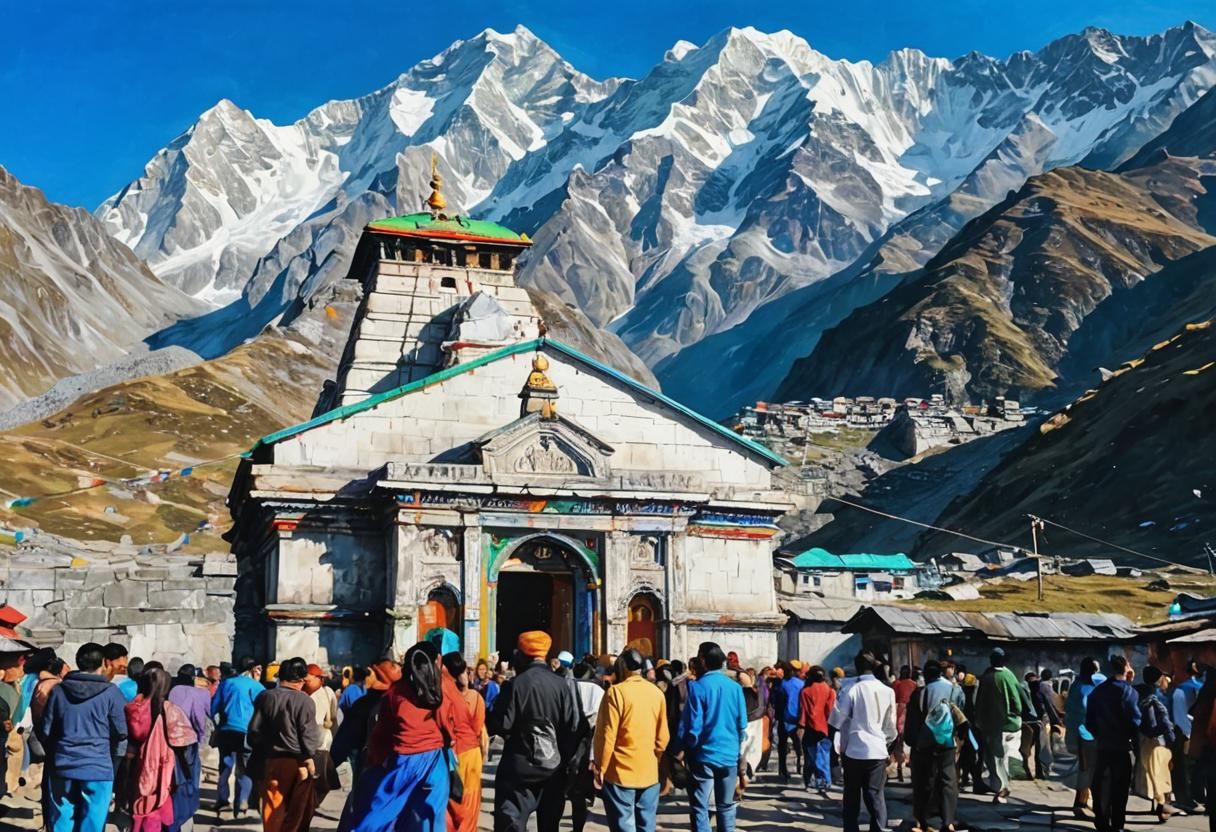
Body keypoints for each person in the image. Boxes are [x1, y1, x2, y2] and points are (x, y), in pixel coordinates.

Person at [340, 643, 457, 832]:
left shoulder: (395, 693)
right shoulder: (440, 690)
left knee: (382, 812)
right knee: (431, 818)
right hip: (435, 762)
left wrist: (376, 760)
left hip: (403, 761)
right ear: (436, 661)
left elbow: (382, 733)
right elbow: (449, 727)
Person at [486, 631, 581, 832]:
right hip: (553, 768)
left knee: (511, 823)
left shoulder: (515, 685)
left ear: (522, 655)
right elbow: (571, 725)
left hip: (519, 770)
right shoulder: (561, 685)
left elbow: (502, 724)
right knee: (549, 825)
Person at [37, 642, 128, 832]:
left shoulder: (59, 691)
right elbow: (122, 730)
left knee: (62, 819)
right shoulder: (111, 693)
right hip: (98, 766)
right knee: (93, 821)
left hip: (63, 764)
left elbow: (45, 730)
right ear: (103, 662)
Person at [593, 648, 668, 832]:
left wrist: (601, 767)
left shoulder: (616, 693)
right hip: (649, 771)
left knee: (624, 824)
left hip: (620, 772)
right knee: (646, 825)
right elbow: (663, 737)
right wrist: (655, 758)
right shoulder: (656, 693)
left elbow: (607, 735)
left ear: (623, 667)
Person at [247, 657, 321, 832]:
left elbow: (253, 732)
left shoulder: (266, 697)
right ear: (302, 679)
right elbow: (309, 736)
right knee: (299, 809)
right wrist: (310, 757)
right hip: (299, 762)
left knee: (273, 807)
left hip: (271, 761)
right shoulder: (305, 701)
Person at [680, 642, 747, 832]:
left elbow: (694, 727)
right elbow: (742, 724)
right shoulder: (735, 688)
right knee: (726, 806)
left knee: (700, 807)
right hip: (729, 755)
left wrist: (687, 748)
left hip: (704, 755)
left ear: (702, 660)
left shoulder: (697, 687)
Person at [123, 667, 197, 832]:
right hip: (165, 771)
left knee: (140, 807)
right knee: (161, 811)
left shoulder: (132, 708)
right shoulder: (170, 710)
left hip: (137, 768)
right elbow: (185, 743)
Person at [831, 651, 897, 832]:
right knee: (875, 794)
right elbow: (891, 726)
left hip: (854, 750)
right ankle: (879, 829)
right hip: (878, 750)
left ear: (857, 667)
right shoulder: (888, 691)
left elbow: (837, 721)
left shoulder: (850, 689)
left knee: (852, 795)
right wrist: (887, 747)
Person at [904, 659, 966, 832]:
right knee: (948, 780)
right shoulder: (955, 690)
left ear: (925, 674)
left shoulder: (920, 693)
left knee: (925, 780)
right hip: (947, 742)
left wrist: (912, 742)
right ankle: (948, 821)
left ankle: (925, 821)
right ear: (941, 673)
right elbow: (961, 713)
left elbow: (912, 723)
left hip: (925, 743)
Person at [1086, 655, 1140, 832]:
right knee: (1120, 787)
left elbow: (1089, 722)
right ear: (1126, 668)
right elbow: (1135, 721)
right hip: (1122, 747)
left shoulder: (1098, 691)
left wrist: (1100, 735)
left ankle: (1101, 820)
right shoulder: (1129, 692)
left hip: (1102, 746)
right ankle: (1117, 824)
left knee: (1099, 784)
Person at [210, 655, 264, 818]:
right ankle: (243, 802)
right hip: (247, 732)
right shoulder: (257, 687)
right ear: (251, 669)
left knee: (225, 766)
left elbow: (213, 708)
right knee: (245, 767)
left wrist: (218, 723)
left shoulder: (226, 683)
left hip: (227, 731)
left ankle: (223, 800)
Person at [331, 657, 401, 780]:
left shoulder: (365, 704)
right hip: (399, 771)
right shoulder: (406, 703)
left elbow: (344, 740)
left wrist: (332, 765)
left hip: (370, 768)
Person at [443, 652, 486, 832]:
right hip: (470, 754)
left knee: (450, 803)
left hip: (450, 755)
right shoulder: (475, 697)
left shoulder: (442, 695)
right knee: (469, 803)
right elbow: (478, 729)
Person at [974, 648, 1021, 803]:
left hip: (993, 726)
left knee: (996, 758)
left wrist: (979, 720)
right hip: (1012, 724)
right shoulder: (1010, 675)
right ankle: (1002, 785)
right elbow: (1018, 701)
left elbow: (980, 702)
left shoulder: (987, 677)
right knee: (1005, 757)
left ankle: (1000, 788)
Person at [167, 665, 210, 831]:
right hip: (188, 740)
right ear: (193, 677)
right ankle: (186, 814)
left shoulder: (171, 690)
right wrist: (201, 736)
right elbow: (199, 717)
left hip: (170, 738)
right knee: (190, 778)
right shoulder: (194, 692)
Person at [1064, 657, 1106, 818]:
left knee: (1085, 769)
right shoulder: (1086, 689)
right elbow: (1088, 711)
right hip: (1086, 735)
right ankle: (1080, 804)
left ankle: (1082, 801)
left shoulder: (1077, 685)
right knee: (1087, 770)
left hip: (1078, 732)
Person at [1135, 666, 1175, 822]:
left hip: (1142, 737)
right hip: (1157, 740)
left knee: (1151, 772)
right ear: (1160, 678)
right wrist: (1171, 739)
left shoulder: (1139, 692)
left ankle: (1157, 805)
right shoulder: (1156, 697)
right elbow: (1163, 722)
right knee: (1161, 773)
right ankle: (1162, 807)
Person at [304, 663, 341, 805]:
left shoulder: (327, 692)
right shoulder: (303, 693)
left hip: (321, 743)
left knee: (320, 781)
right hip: (313, 743)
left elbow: (333, 718)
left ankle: (310, 805)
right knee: (321, 780)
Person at [1171, 659, 1205, 813]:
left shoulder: (1180, 690)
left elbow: (1180, 717)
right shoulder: (1202, 687)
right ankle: (1196, 797)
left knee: (1183, 769)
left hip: (1185, 734)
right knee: (1196, 768)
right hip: (1200, 734)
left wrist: (1189, 733)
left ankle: (1185, 799)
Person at [797, 666, 835, 794]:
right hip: (825, 727)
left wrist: (801, 726)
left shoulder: (805, 691)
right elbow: (830, 710)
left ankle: (810, 781)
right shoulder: (829, 690)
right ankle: (825, 781)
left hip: (810, 728)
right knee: (824, 754)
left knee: (810, 757)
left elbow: (803, 712)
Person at [772, 660, 805, 782]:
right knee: (798, 744)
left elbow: (775, 701)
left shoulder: (781, 685)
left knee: (782, 745)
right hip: (796, 719)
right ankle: (799, 764)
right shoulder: (800, 684)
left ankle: (782, 770)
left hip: (783, 718)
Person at [1030, 668, 1062, 779]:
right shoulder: (1046, 687)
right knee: (1044, 747)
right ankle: (1043, 772)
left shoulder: (1038, 685)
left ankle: (1040, 771)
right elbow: (1051, 705)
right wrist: (1058, 720)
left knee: (1039, 746)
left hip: (1035, 718)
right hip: (1044, 719)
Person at [892, 666, 917, 783]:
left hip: (899, 713)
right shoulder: (914, 684)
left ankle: (899, 770)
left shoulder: (896, 684)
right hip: (911, 714)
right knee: (912, 744)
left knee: (899, 743)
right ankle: (911, 772)